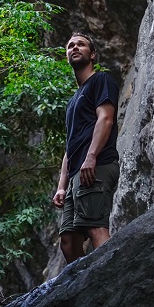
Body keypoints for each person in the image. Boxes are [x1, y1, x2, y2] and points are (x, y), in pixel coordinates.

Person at [52, 32, 120, 264]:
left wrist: (91, 157)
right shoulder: (74, 100)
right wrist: (62, 186)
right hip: (76, 176)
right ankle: (87, 289)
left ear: (92, 54)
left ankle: (115, 279)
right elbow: (70, 145)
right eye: (70, 45)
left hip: (97, 166)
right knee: (69, 241)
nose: (74, 47)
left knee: (95, 227)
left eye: (81, 44)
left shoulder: (101, 81)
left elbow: (106, 119)